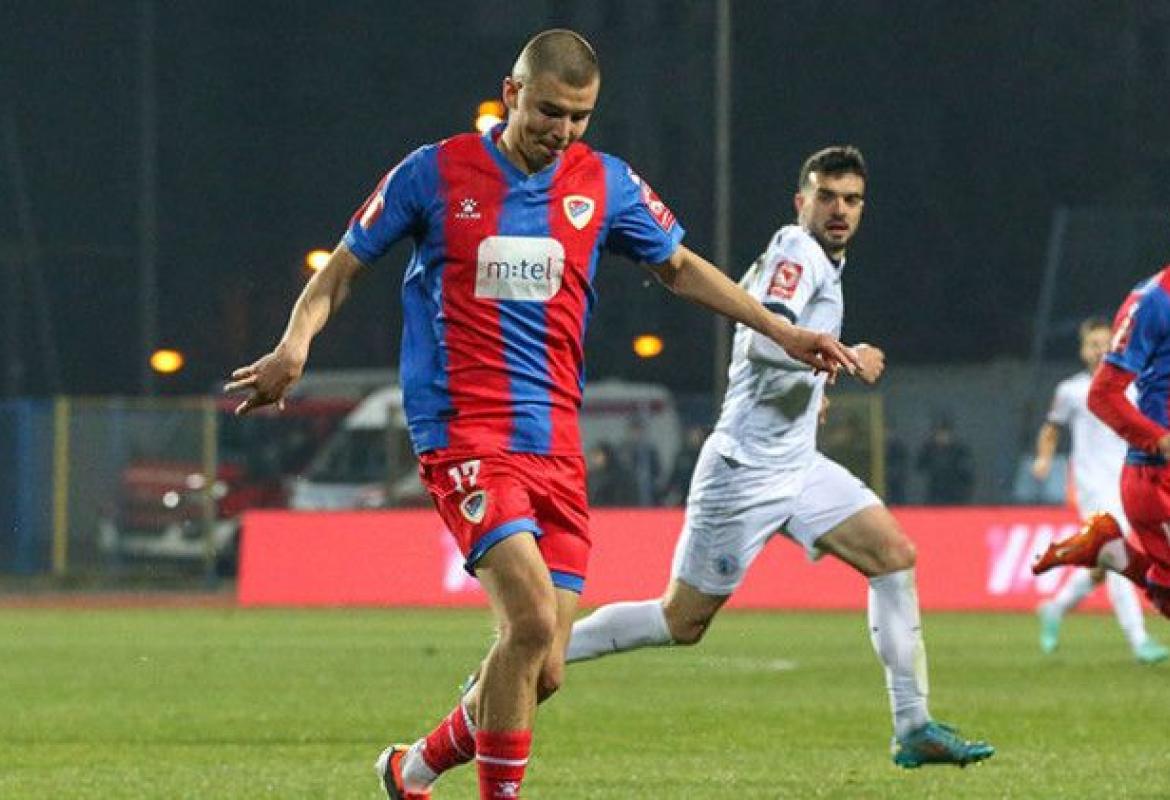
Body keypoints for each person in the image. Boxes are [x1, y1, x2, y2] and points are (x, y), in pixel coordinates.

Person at [224, 30, 858, 800]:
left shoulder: (606, 182)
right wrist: (295, 344)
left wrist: (782, 331)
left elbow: (679, 266)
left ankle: (411, 769)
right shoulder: (434, 172)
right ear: (512, 92)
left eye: (579, 117)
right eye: (550, 111)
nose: (562, 131)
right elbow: (343, 267)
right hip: (462, 432)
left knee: (543, 667)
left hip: (555, 441)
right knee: (526, 622)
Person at [564, 146, 995, 768]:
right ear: (802, 201)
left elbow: (781, 351)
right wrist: (846, 354)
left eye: (852, 199)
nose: (840, 209)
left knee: (893, 555)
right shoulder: (797, 250)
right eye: (827, 197)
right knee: (680, 622)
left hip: (798, 465)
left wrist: (816, 388)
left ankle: (913, 726)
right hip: (744, 471)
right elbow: (764, 338)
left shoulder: (824, 263)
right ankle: (535, 653)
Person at [1035, 267, 1170, 638]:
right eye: (1091, 344)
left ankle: (1112, 551)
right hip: (1148, 475)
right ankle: (1137, 636)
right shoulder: (1153, 301)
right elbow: (1098, 398)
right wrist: (1160, 440)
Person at [915, 417, 975, 504]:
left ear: (950, 434)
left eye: (944, 434)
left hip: (955, 496)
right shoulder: (929, 449)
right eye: (938, 434)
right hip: (934, 495)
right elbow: (919, 467)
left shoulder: (960, 451)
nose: (941, 437)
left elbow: (967, 475)